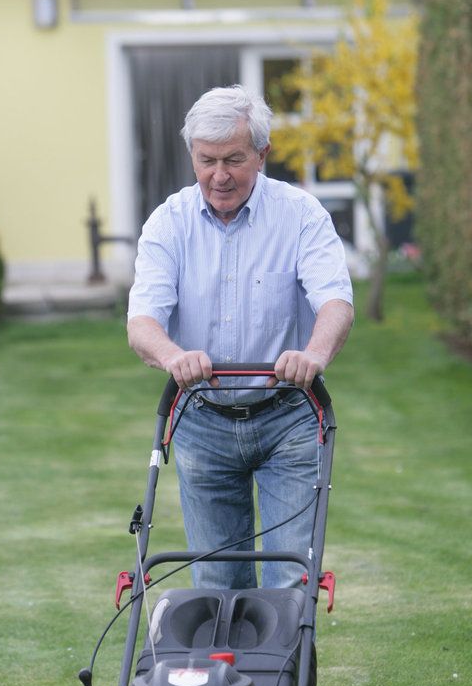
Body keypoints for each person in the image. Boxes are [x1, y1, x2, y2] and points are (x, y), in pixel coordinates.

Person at [127, 84, 354, 590]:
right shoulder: (169, 223)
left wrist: (313, 355)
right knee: (214, 584)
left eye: (234, 159)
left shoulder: (301, 217)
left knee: (288, 582)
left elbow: (335, 303)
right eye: (207, 160)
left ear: (262, 154)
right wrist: (173, 356)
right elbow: (142, 322)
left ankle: (284, 670)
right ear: (193, 156)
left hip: (288, 421)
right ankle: (218, 672)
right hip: (202, 423)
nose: (219, 175)